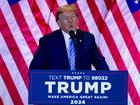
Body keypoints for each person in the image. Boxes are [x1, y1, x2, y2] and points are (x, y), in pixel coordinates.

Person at [29, 4, 109, 70]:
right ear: (58, 22)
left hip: (82, 86)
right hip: (55, 87)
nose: (70, 21)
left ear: (77, 19)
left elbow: (101, 65)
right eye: (65, 18)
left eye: (73, 17)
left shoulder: (87, 38)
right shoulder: (47, 41)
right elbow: (35, 70)